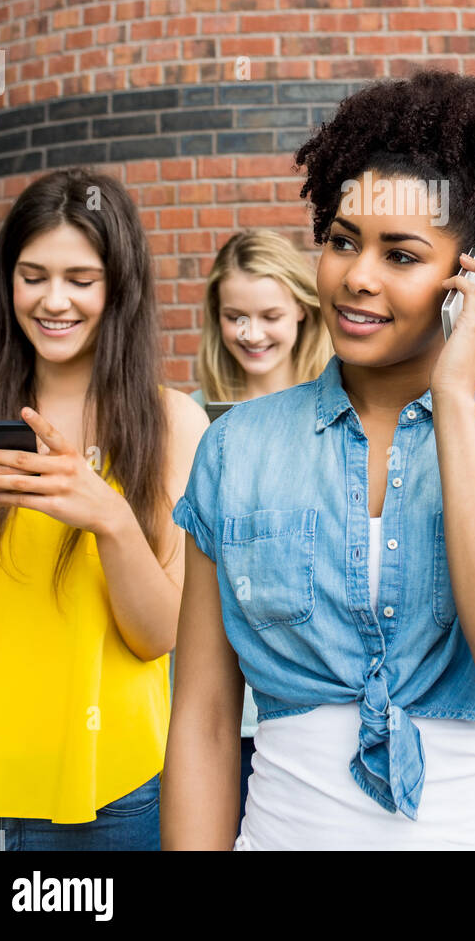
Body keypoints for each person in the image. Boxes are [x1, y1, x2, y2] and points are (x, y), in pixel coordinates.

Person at [162, 68, 475, 851]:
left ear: (474, 275)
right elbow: (201, 719)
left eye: (401, 255)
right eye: (341, 241)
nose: (356, 276)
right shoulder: (235, 447)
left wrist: (456, 401)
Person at [0, 168, 208, 849]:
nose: (54, 300)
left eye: (81, 277)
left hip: (113, 790)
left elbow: (158, 634)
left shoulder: (173, 424)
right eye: (33, 275)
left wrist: (109, 518)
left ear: (119, 287)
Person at [188, 229, 332, 821]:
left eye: (269, 315)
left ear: (302, 309)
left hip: (306, 707)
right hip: (214, 707)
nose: (251, 334)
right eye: (234, 317)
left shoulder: (340, 410)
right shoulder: (190, 417)